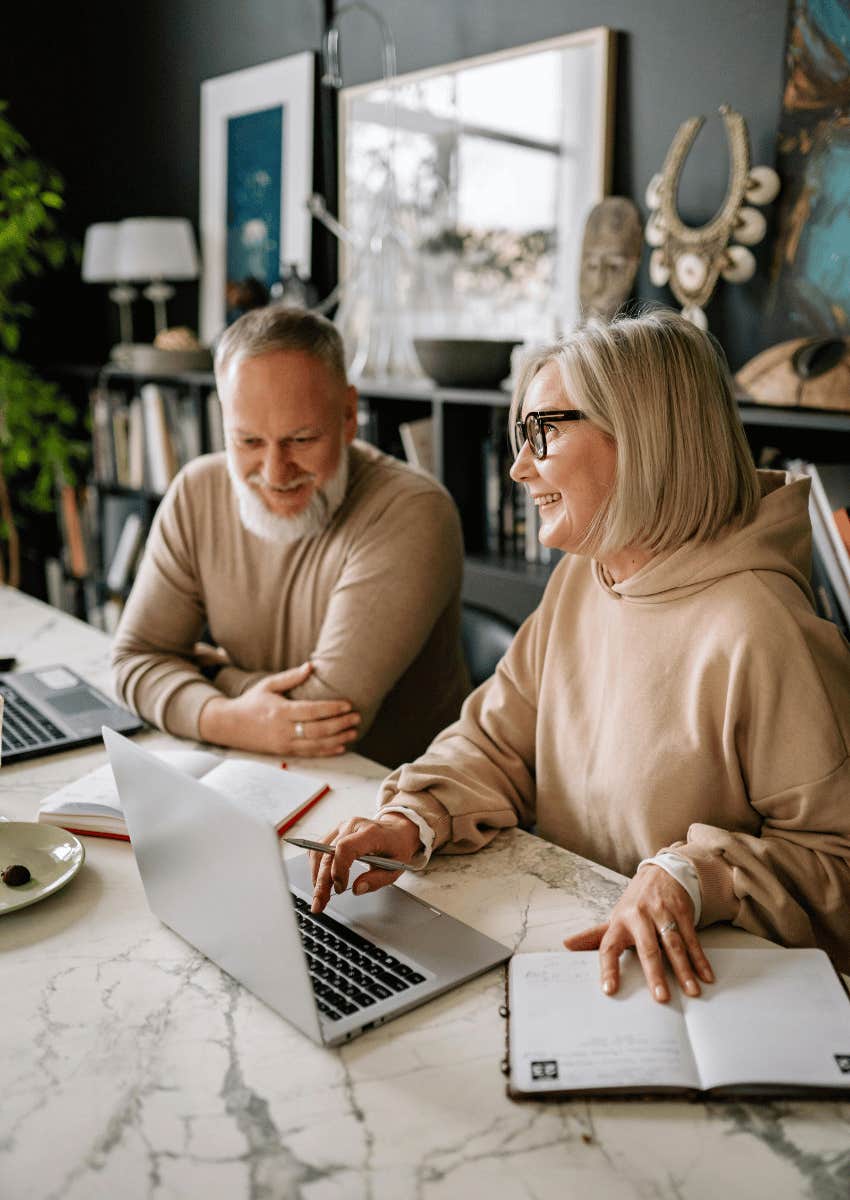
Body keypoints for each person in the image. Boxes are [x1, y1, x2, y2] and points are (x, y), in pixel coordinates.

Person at [309, 310, 850, 1002]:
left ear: (642, 440)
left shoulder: (764, 628)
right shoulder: (582, 578)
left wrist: (694, 874)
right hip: (573, 956)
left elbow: (837, 865)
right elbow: (496, 742)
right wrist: (408, 818)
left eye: (545, 432)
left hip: (702, 990)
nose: (518, 466)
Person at [111, 305, 469, 769]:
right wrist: (229, 716)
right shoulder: (197, 492)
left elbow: (327, 719)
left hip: (399, 805)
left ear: (347, 416)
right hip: (257, 773)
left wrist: (208, 670)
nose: (275, 473)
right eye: (249, 442)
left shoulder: (412, 511)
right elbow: (134, 660)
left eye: (301, 440)